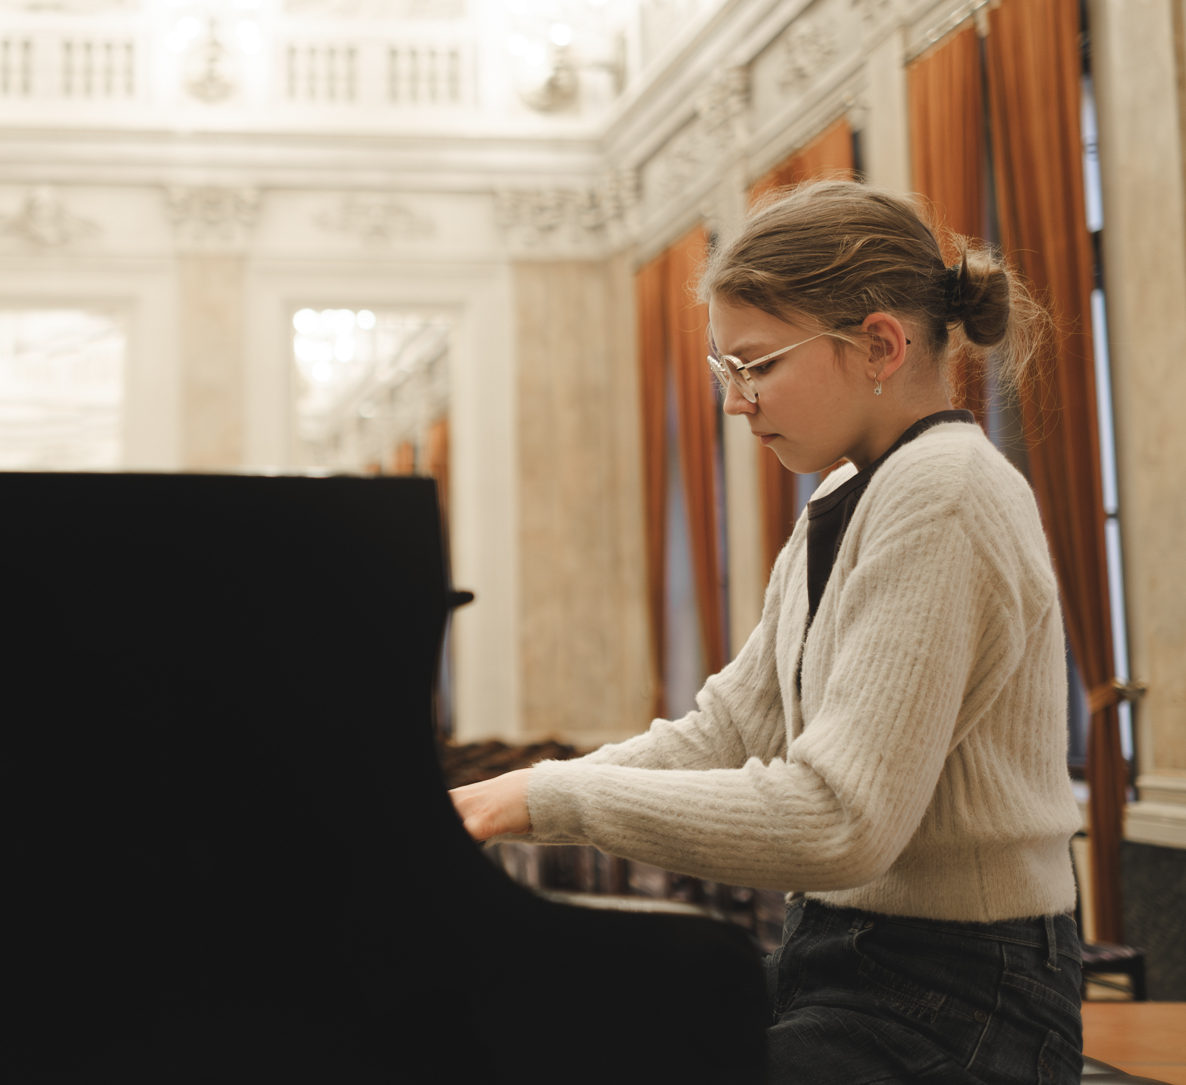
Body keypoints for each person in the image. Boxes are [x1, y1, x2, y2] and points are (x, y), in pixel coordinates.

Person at [451, 180, 1086, 1084]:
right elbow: (726, 732)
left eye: (756, 366)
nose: (735, 402)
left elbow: (840, 821)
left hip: (961, 998)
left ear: (880, 344)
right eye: (726, 371)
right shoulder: (849, 491)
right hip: (845, 955)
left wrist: (541, 799)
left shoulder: (945, 489)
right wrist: (498, 794)